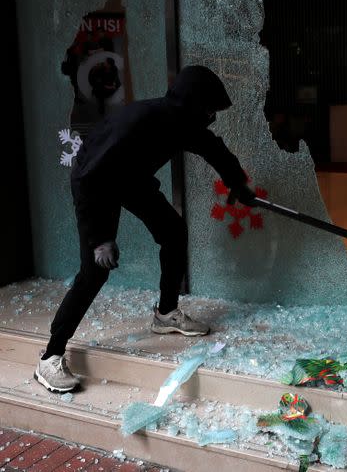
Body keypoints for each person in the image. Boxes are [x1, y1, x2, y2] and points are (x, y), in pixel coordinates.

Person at [35, 65, 258, 393]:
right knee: (94, 272)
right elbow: (88, 177)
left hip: (130, 179)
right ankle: (50, 356)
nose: (211, 117)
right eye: (209, 109)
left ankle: (166, 314)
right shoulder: (141, 120)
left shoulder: (184, 123)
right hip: (97, 180)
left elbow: (213, 149)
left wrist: (238, 185)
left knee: (173, 232)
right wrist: (99, 240)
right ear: (193, 103)